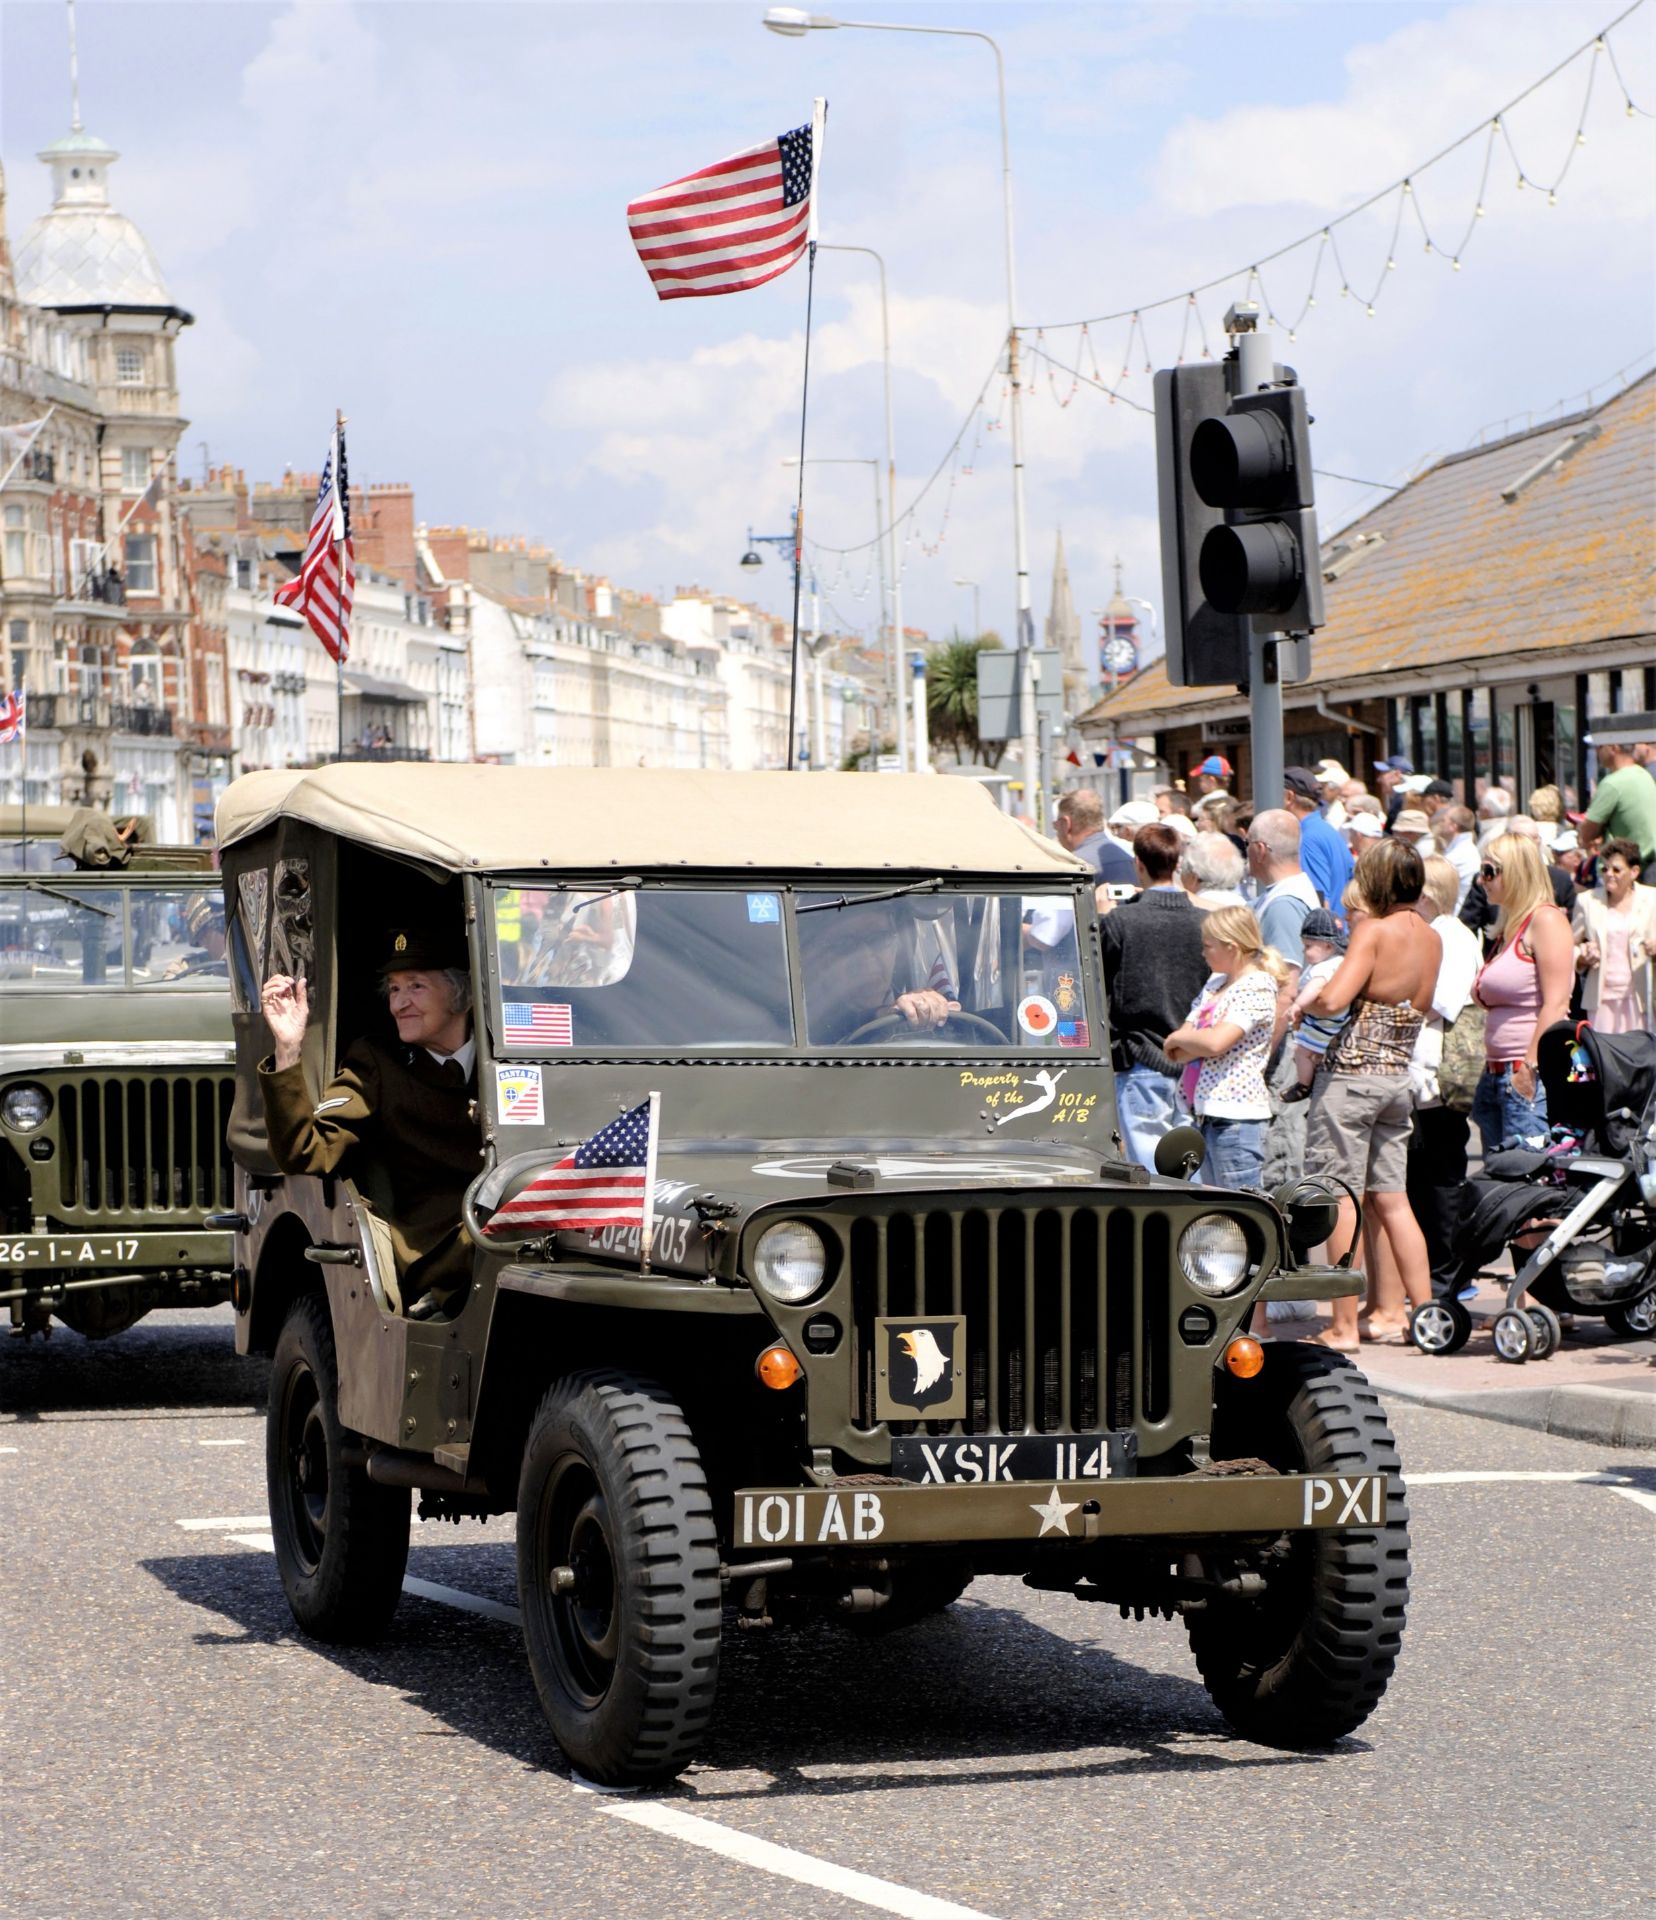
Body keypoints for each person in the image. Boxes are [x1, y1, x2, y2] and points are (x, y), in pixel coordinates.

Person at [259, 928, 483, 1320]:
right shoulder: (378, 1064)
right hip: (434, 1242)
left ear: (461, 992)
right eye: (395, 989)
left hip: (506, 1218)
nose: (400, 1004)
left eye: (416, 986)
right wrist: (288, 1049)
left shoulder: (507, 1056)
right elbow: (305, 1150)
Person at [1300, 838, 1442, 1349]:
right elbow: (1420, 1007)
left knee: (1340, 1199)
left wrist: (1305, 1002)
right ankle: (1420, 1317)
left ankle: (1341, 1327)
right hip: (1396, 1076)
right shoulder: (1430, 936)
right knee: (1394, 1200)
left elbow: (1336, 998)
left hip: (1351, 1076)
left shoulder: (1372, 931)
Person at [1098, 823, 1212, 1171]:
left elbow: (1095, 978)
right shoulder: (1205, 922)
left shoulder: (1121, 922)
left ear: (1138, 864)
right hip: (1196, 1061)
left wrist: (1102, 917)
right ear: (1177, 863)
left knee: (1150, 1176)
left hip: (1142, 1058)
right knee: (1190, 1170)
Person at [1405, 855, 1485, 1294]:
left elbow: (1440, 1001)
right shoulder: (1443, 933)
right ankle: (1439, 1270)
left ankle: (1448, 1273)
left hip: (1439, 1072)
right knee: (1428, 1171)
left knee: (1440, 1173)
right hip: (1428, 1071)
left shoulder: (1448, 936)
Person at [1163, 905, 1285, 1190]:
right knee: (1218, 1209)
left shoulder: (1257, 986)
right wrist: (1192, 1041)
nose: (1203, 953)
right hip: (1206, 1113)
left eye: (1208, 946)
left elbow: (1216, 1042)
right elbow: (1179, 1052)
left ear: (1231, 947)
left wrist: (1185, 1039)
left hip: (1237, 1118)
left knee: (1238, 1212)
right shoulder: (1215, 984)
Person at [1470, 831, 1575, 1152]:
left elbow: (1557, 1004)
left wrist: (1528, 1070)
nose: (1481, 880)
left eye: (1489, 871)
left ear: (1514, 872)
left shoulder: (1546, 920)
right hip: (1498, 1074)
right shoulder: (1511, 927)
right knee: (1503, 1186)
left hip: (1527, 1076)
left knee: (1527, 1185)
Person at [797, 901, 957, 1043]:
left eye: (877, 939)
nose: (865, 958)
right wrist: (880, 1018)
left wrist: (932, 1012)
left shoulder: (915, 1003)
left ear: (896, 946)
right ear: (819, 957)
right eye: (844, 944)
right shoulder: (800, 1024)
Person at [1572, 838, 1656, 1033]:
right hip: (1602, 998)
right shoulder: (1587, 900)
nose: (1609, 874)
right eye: (1605, 869)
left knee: (1642, 1056)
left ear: (1634, 872)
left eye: (1616, 870)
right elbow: (1570, 945)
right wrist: (1583, 955)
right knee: (1606, 1056)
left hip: (1641, 996)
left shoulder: (1652, 899)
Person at [1245, 810, 1318, 978]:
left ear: (1260, 850)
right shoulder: (1286, 893)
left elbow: (1286, 984)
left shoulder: (1284, 906)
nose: (1246, 851)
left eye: (1247, 843)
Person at [1285, 908, 1349, 1095]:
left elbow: (1315, 987)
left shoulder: (1324, 968)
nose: (1304, 951)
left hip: (1323, 1024)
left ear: (1328, 946)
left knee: (1301, 1050)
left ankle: (1304, 1085)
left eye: (1308, 946)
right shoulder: (1337, 961)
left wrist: (1297, 1005)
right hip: (1330, 1024)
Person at [1580, 720, 1656, 868]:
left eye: (1599, 746)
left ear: (1613, 748)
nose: (1596, 751)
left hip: (1630, 872)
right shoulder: (1644, 775)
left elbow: (1586, 835)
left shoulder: (1612, 783)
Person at [1282, 766, 1354, 917]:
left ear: (1289, 797)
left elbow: (1318, 901)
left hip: (1327, 935)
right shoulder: (1326, 830)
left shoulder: (1307, 838)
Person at [1054, 789, 1135, 885]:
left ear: (1066, 824)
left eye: (1056, 825)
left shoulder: (1073, 867)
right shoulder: (1130, 858)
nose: (1056, 830)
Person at [1179, 831, 1247, 912]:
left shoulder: (1189, 910)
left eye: (1183, 869)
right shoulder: (1245, 907)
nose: (1181, 876)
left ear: (1194, 877)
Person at [1435, 804, 1479, 909]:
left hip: (1457, 912)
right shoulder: (1460, 850)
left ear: (1453, 826)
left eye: (1444, 821)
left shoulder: (1462, 854)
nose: (1440, 824)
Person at [1372, 754, 1413, 827]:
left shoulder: (1402, 800)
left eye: (1383, 773)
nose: (1378, 779)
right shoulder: (1399, 798)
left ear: (1397, 774)